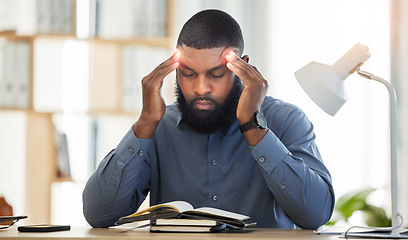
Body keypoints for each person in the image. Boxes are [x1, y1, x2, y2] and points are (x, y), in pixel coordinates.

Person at [83, 9, 334, 229]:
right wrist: (145, 123)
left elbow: (316, 215)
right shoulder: (158, 127)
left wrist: (253, 127)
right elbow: (98, 215)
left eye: (216, 74)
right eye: (188, 74)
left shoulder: (287, 120)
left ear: (243, 68)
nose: (201, 88)